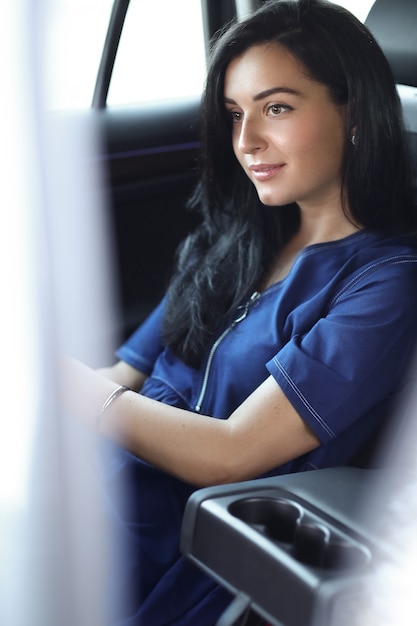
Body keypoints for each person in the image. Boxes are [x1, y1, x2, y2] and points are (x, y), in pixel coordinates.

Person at [62, 0, 417, 624]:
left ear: (354, 115)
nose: (246, 141)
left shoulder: (385, 285)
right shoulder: (234, 236)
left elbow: (230, 452)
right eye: (234, 114)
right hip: (102, 484)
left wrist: (61, 387)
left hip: (193, 537)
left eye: (276, 108)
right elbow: (126, 375)